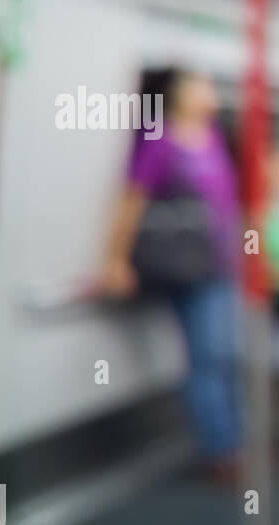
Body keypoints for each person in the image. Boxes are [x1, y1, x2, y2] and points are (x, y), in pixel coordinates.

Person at [100, 67, 242, 478]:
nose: (210, 90)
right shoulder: (160, 141)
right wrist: (115, 260)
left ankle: (235, 438)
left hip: (217, 262)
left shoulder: (212, 137)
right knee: (208, 356)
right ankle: (222, 450)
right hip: (185, 267)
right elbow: (132, 200)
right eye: (203, 83)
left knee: (225, 354)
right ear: (179, 94)